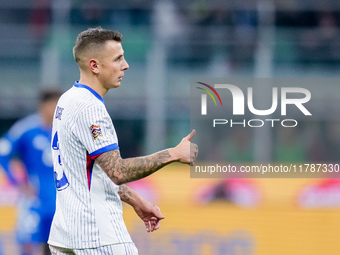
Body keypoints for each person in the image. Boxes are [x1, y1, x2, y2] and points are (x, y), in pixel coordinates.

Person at [48, 27, 198, 255]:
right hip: (98, 236)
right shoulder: (90, 108)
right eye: (118, 59)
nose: (125, 65)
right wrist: (174, 153)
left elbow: (93, 171)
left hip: (66, 235)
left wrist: (135, 199)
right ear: (95, 66)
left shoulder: (67, 99)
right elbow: (117, 171)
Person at [0, 89, 62, 255]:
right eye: (54, 104)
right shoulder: (26, 129)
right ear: (43, 106)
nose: (57, 109)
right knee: (27, 244)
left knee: (56, 247)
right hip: (35, 200)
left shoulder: (65, 129)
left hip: (60, 201)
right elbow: (3, 153)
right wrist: (18, 183)